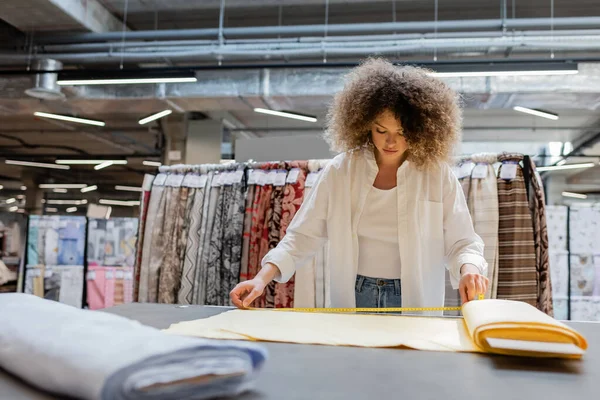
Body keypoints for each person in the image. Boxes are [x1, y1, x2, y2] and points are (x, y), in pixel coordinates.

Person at [231, 58, 488, 310]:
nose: (391, 142)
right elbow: (301, 236)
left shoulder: (437, 175)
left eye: (402, 132)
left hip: (414, 298)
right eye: (381, 130)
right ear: (364, 125)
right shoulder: (340, 171)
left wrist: (470, 269)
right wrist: (261, 279)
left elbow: (462, 241)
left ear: (421, 129)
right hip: (354, 295)